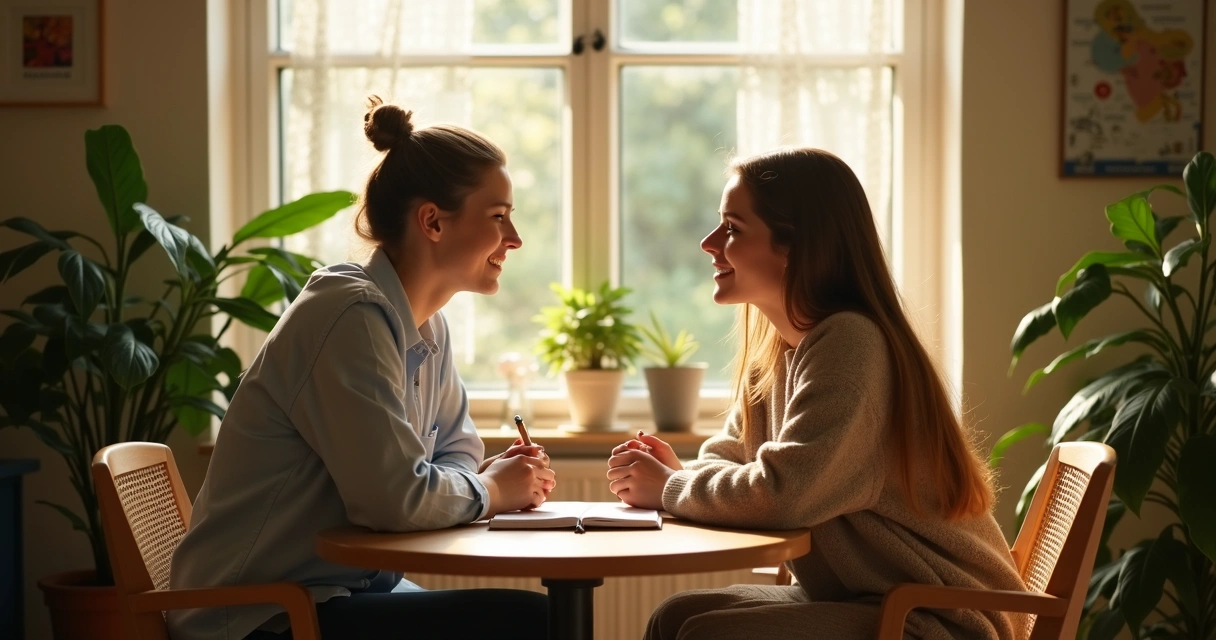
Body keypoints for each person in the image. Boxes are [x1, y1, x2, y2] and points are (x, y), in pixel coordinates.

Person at [169, 97, 555, 640]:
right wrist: (491, 490)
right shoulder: (350, 316)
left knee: (522, 617)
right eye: (498, 217)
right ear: (432, 222)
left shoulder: (427, 325)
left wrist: (484, 480)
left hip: (343, 591)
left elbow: (456, 452)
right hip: (260, 616)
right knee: (526, 621)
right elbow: (395, 500)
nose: (514, 238)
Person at [607, 148, 1028, 640]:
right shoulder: (780, 349)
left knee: (706, 635)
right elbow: (730, 456)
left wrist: (669, 487)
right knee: (675, 617)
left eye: (733, 229)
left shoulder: (851, 343)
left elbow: (785, 495)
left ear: (796, 246)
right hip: (873, 598)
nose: (708, 243)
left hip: (940, 617)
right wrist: (678, 475)